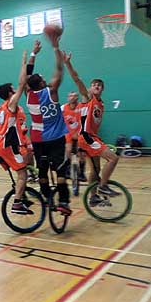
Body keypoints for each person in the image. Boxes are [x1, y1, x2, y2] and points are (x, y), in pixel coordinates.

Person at [62, 51, 120, 205]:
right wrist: (67, 63)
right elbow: (77, 79)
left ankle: (93, 197)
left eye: (99, 86)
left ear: (102, 90)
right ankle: (103, 186)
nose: (97, 87)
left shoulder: (101, 104)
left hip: (91, 137)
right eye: (94, 85)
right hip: (86, 137)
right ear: (89, 88)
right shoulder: (88, 99)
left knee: (95, 169)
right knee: (113, 158)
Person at [26, 34, 72, 215]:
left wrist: (33, 53)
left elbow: (27, 74)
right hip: (56, 139)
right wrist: (55, 47)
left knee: (42, 172)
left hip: (38, 139)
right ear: (42, 83)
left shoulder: (28, 95)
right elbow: (59, 70)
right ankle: (63, 202)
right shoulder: (51, 91)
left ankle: (46, 198)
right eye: (43, 77)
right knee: (60, 171)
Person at [0, 51, 29, 214]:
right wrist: (23, 63)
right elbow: (22, 84)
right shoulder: (10, 104)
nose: (16, 92)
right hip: (6, 144)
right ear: (9, 94)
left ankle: (23, 195)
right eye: (13, 91)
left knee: (23, 163)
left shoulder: (0, 108)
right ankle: (17, 203)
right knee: (22, 173)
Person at [61, 91, 87, 181]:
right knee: (68, 150)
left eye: (75, 96)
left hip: (80, 133)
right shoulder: (63, 108)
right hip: (68, 133)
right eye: (70, 96)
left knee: (82, 154)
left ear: (77, 98)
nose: (72, 97)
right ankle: (68, 170)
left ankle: (82, 173)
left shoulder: (81, 107)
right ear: (68, 98)